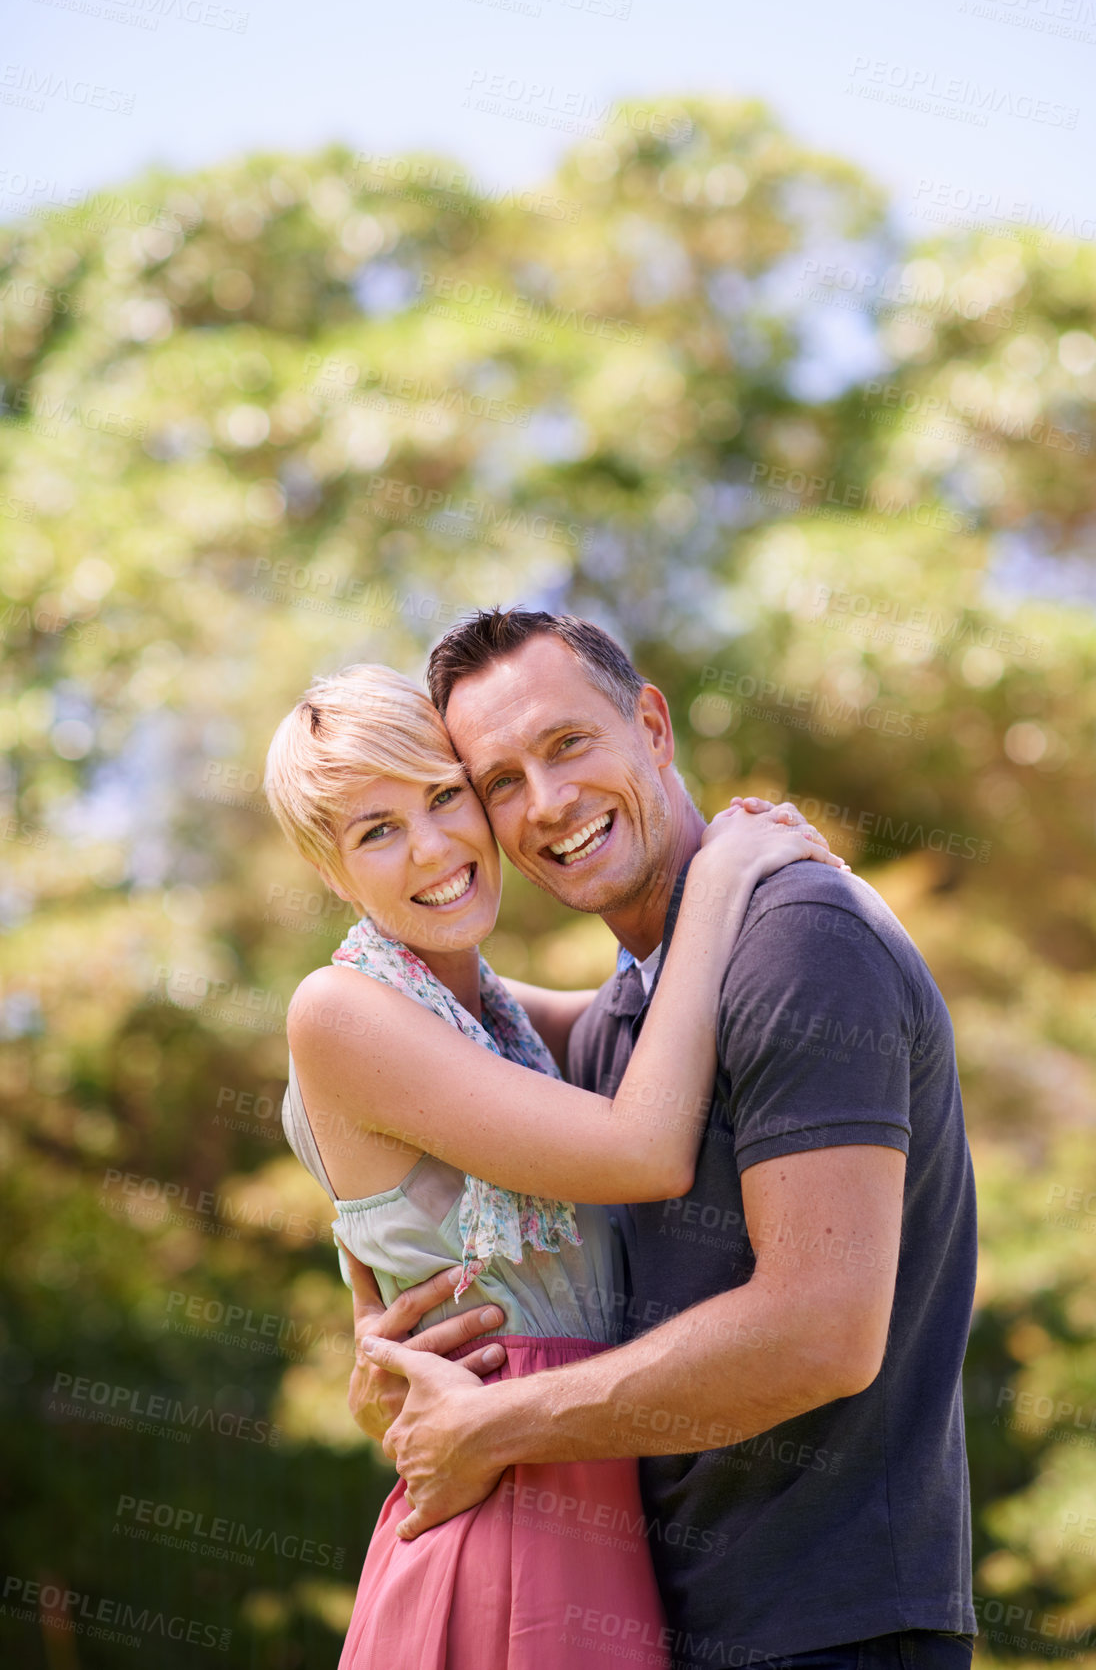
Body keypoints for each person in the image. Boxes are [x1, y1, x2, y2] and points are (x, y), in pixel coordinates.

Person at [354, 609, 979, 1670]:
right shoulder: (630, 1025)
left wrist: (495, 1427)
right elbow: (456, 1034)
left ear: (651, 723)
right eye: (500, 783)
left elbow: (822, 1328)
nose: (548, 804)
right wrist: (386, 1349)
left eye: (567, 744)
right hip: (671, 1626)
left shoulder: (799, 940)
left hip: (837, 1629)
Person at [263, 662, 847, 1670]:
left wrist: (765, 889)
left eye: (446, 797)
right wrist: (719, 881)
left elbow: (654, 1013)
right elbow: (643, 1145)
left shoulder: (493, 1019)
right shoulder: (340, 1011)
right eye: (376, 830)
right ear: (331, 869)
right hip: (500, 1506)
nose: (435, 847)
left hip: (577, 1479)